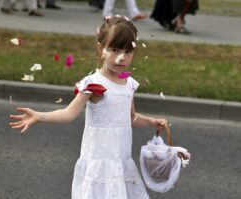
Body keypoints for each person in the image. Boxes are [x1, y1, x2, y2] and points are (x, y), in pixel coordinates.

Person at [9, 16, 167, 199]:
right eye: (114, 50)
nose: (121, 57)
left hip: (121, 162)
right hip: (99, 163)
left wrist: (152, 122)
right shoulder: (93, 84)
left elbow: (131, 117)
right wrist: (39, 116)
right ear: (101, 49)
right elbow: (69, 113)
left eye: (127, 51)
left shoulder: (129, 83)